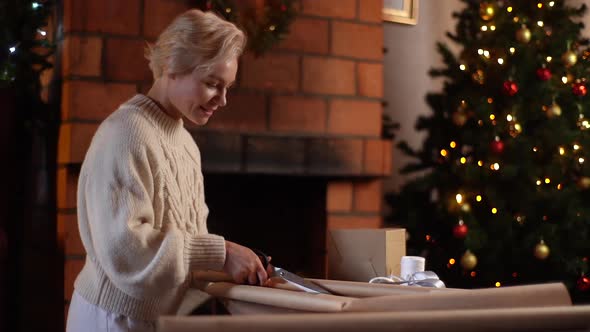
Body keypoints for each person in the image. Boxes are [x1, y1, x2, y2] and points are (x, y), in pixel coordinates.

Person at [66, 9, 269, 332]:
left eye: (227, 87)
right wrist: (222, 252)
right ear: (172, 66)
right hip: (112, 319)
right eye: (212, 84)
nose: (223, 99)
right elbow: (127, 251)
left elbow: (191, 246)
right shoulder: (125, 134)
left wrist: (235, 270)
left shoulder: (185, 143)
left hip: (153, 319)